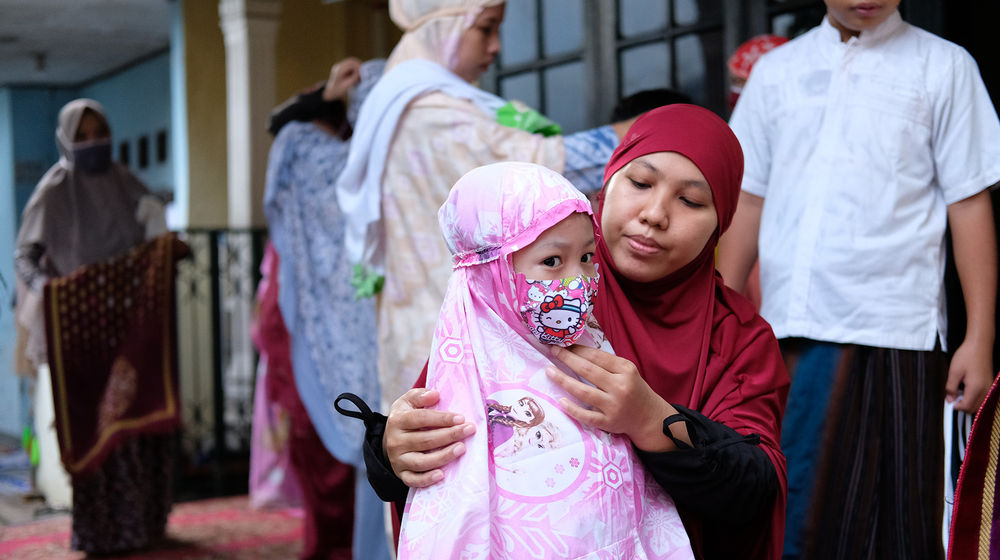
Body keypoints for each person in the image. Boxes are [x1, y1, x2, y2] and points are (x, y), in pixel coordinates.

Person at [357, 104, 790, 560]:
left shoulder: (739, 337)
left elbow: (756, 489)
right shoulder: (536, 290)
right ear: (607, 183)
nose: (655, 214)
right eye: (640, 183)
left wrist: (652, 421)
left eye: (691, 201)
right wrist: (394, 449)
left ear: (719, 224)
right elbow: (443, 431)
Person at [718, 1, 1000, 558]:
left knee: (898, 522)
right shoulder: (777, 74)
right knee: (795, 515)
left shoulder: (943, 66)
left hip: (899, 331)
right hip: (785, 330)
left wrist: (979, 337)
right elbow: (748, 201)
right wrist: (718, 317)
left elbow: (968, 204)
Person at [335, 0, 634, 411]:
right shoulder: (429, 112)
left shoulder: (397, 103)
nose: (495, 47)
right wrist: (639, 134)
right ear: (444, 27)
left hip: (421, 315)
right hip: (458, 325)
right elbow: (541, 172)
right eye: (486, 28)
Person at [397, 161, 693, 558]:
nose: (577, 282)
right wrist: (389, 446)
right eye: (552, 262)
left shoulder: (596, 352)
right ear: (492, 273)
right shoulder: (464, 378)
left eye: (588, 257)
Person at [13, 98, 176, 555]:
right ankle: (100, 532)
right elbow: (25, 257)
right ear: (65, 139)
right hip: (80, 334)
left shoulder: (125, 181)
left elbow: (155, 237)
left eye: (98, 132)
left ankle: (143, 525)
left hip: (131, 330)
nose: (92, 143)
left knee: (136, 426)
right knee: (93, 429)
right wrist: (52, 290)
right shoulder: (53, 191)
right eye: (81, 136)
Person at [263, 58, 391, 560]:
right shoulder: (341, 158)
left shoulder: (320, 158)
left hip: (328, 337)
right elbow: (287, 129)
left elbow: (285, 131)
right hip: (335, 334)